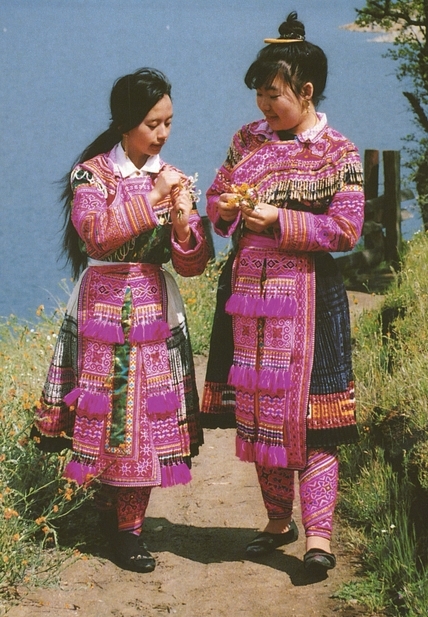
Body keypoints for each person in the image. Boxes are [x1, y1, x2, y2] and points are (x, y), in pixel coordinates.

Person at [201, 11, 365, 574]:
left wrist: (280, 218)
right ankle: (277, 520)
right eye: (260, 96)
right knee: (260, 409)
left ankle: (319, 537)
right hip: (250, 293)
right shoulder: (247, 140)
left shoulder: (339, 151)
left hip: (311, 296)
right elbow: (219, 198)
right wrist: (222, 210)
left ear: (306, 90)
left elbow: (345, 230)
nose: (264, 108)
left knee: (316, 416)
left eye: (274, 96)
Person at [33, 67, 211, 573]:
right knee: (106, 415)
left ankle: (129, 531)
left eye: (169, 122)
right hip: (102, 310)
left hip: (154, 307)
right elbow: (95, 235)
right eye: (154, 123)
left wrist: (182, 222)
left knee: (144, 419)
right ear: (126, 123)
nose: (163, 134)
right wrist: (154, 199)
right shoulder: (91, 175)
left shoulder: (170, 176)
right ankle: (106, 513)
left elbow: (194, 265)